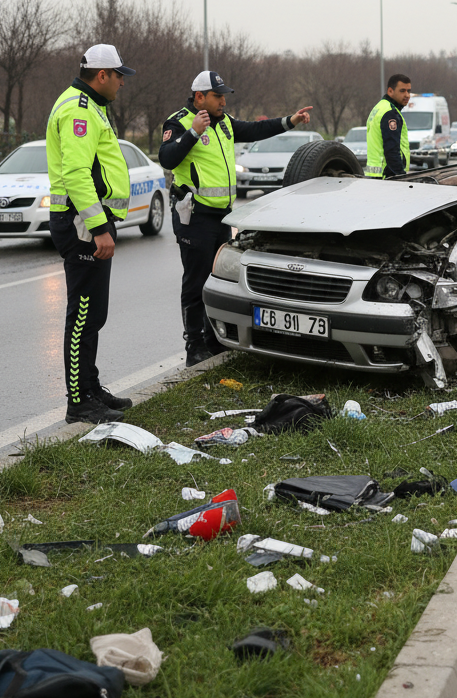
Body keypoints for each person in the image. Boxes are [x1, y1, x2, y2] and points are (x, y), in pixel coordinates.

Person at [159, 70, 313, 366]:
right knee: (196, 282)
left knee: (218, 279)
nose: (223, 102)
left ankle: (213, 340)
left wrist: (290, 121)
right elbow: (167, 158)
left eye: (224, 96)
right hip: (195, 216)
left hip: (222, 217)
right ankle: (194, 346)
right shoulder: (179, 121)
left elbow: (255, 130)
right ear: (200, 97)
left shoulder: (224, 122)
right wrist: (193, 132)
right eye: (218, 96)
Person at [46, 44, 137, 424]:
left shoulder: (91, 106)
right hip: (82, 223)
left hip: (88, 220)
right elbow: (76, 173)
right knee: (83, 315)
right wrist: (99, 228)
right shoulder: (78, 109)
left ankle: (91, 387)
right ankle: (79, 402)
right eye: (118, 76)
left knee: (93, 315)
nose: (121, 83)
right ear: (102, 75)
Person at [365, 74, 412, 179]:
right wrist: (400, 176)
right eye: (402, 91)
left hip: (374, 174)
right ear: (390, 91)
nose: (407, 95)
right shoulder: (390, 113)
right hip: (387, 176)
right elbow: (392, 150)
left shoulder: (379, 108)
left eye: (408, 91)